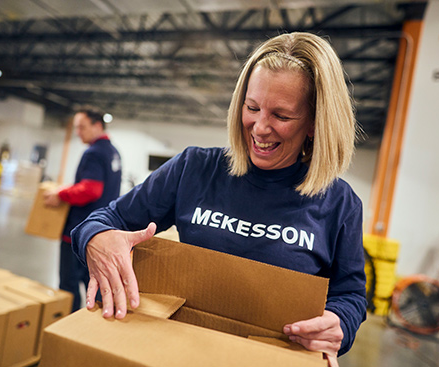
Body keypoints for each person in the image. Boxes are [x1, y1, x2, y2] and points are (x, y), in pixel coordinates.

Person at [71, 32, 366, 363]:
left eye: (281, 116)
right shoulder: (194, 168)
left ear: (314, 123)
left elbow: (350, 293)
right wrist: (95, 238)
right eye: (251, 107)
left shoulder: (340, 204)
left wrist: (340, 323)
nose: (259, 127)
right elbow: (105, 219)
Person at [44, 106, 122, 312]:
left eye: (82, 127)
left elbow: (91, 189)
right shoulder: (113, 152)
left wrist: (60, 194)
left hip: (78, 232)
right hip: (100, 231)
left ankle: (65, 327)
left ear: (97, 126)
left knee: (68, 286)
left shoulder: (94, 153)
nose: (78, 132)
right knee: (94, 284)